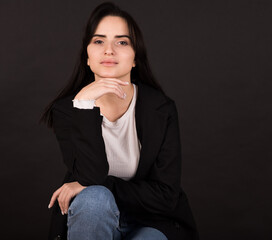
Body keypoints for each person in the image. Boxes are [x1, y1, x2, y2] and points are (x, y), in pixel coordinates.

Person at [40, 2, 199, 240]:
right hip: (93, 216)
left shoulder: (161, 109)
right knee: (94, 198)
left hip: (152, 221)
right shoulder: (68, 109)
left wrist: (105, 186)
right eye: (99, 41)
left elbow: (166, 195)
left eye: (122, 42)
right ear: (87, 56)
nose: (109, 50)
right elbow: (90, 178)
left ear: (135, 58)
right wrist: (84, 103)